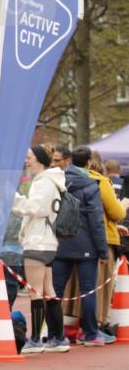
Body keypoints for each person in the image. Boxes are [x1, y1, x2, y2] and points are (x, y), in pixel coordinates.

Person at [11, 145, 68, 353]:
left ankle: (35, 339)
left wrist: (13, 198)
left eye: (30, 157)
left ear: (40, 160)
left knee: (36, 292)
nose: (27, 161)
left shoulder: (43, 181)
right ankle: (59, 339)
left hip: (38, 241)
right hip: (48, 241)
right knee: (48, 290)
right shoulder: (51, 180)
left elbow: (35, 208)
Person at [53, 145, 108, 346]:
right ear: (89, 163)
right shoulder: (92, 186)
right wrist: (103, 251)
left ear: (69, 161)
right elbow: (96, 221)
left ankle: (53, 333)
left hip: (59, 243)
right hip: (86, 245)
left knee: (55, 291)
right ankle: (91, 333)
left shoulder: (57, 182)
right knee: (87, 290)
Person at [89, 152, 127, 339]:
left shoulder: (69, 180)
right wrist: (123, 207)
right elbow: (115, 211)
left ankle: (71, 326)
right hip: (104, 238)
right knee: (101, 286)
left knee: (81, 285)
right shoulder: (101, 182)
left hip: (79, 239)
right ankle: (96, 325)